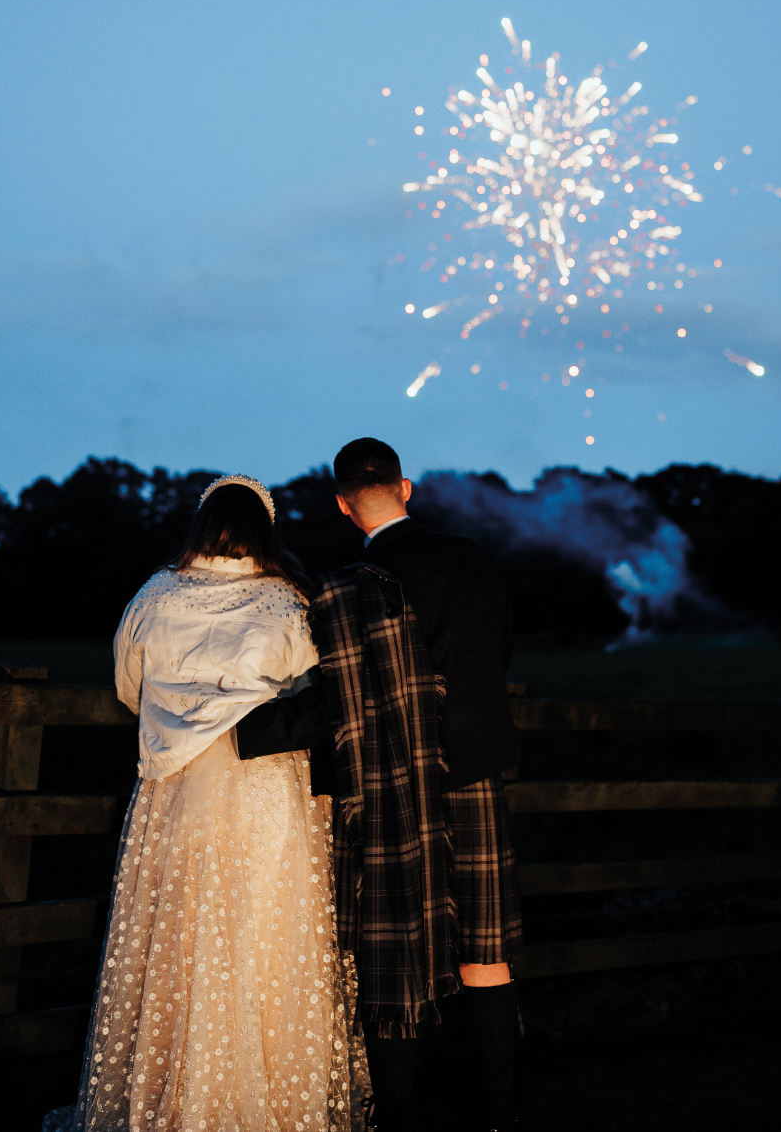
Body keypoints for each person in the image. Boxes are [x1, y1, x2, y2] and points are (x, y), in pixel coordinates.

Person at [236, 440, 523, 1132]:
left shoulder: (349, 587)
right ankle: (503, 1118)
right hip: (477, 774)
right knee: (486, 954)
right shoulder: (475, 560)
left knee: (392, 952)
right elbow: (498, 653)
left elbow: (342, 703)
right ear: (406, 486)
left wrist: (238, 733)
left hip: (392, 782)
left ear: (342, 503)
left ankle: (396, 1117)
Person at [68, 475, 363, 1132]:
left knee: (178, 936)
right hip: (265, 784)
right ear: (267, 530)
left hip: (179, 788)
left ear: (200, 526)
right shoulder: (288, 601)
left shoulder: (154, 595)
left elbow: (127, 685)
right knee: (264, 931)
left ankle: (171, 1097)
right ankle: (275, 1101)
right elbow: (315, 692)